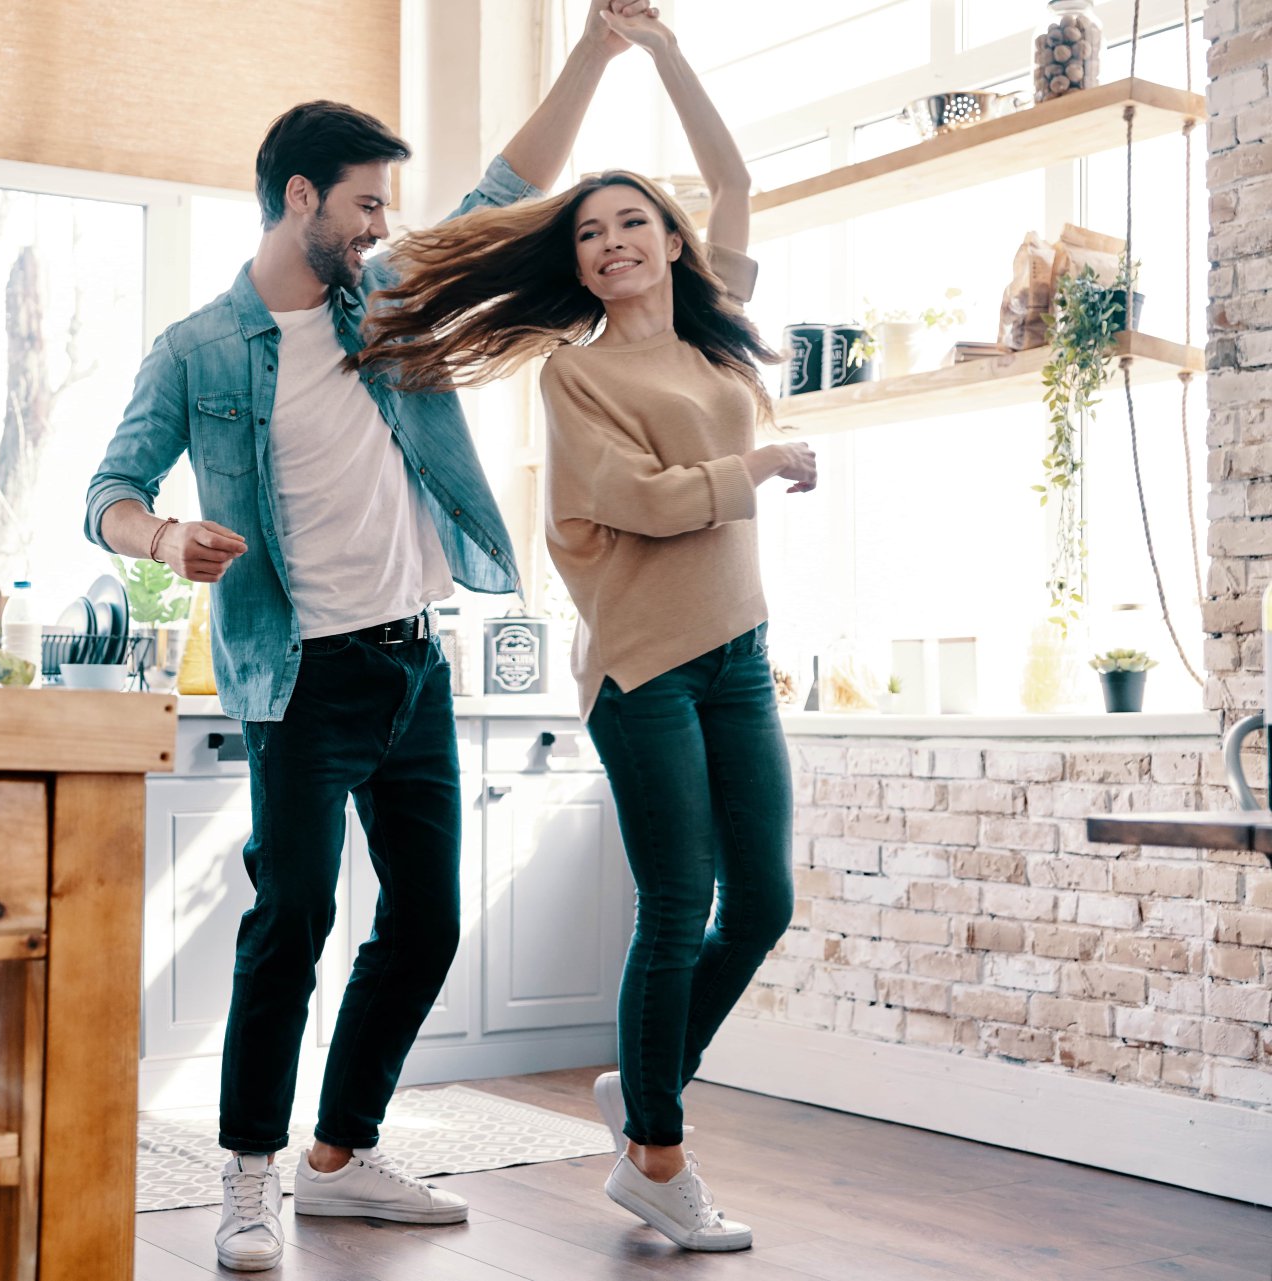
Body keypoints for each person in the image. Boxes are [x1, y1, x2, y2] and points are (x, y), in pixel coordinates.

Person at [84, 4, 648, 1270]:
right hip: (300, 680)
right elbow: (107, 492)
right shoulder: (197, 350)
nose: (384, 227)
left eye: (387, 208)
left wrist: (600, 51)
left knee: (428, 919)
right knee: (287, 926)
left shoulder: (382, 293)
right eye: (365, 206)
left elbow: (508, 190)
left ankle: (341, 1155)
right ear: (300, 200)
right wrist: (165, 540)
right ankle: (248, 1179)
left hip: (413, 662)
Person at [349, 4, 816, 1254]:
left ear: (669, 239)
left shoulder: (717, 328)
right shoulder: (578, 369)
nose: (611, 242)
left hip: (739, 655)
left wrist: (660, 52)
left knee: (761, 901)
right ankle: (656, 1160)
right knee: (680, 899)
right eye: (591, 230)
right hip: (641, 669)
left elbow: (733, 176)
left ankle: (640, 1082)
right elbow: (637, 503)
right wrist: (758, 468)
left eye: (631, 221)